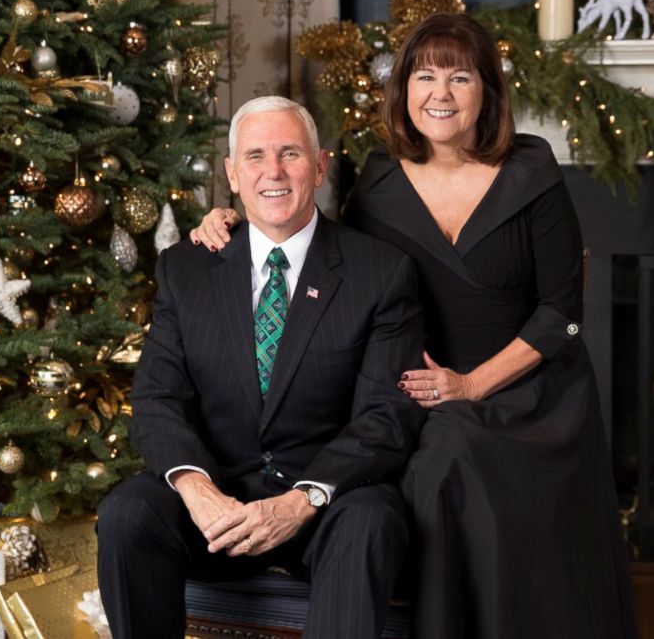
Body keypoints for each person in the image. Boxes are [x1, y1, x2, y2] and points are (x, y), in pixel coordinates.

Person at [191, 14, 639, 638]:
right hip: (418, 390)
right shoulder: (378, 180)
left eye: (461, 77)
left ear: (488, 91)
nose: (442, 93)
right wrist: (233, 222)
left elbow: (561, 311)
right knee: (435, 454)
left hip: (531, 391)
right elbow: (322, 254)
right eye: (425, 76)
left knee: (451, 454)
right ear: (403, 89)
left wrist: (473, 385)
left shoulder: (532, 172)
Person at [97, 96, 426, 639]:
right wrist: (197, 491)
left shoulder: (381, 273)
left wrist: (303, 499)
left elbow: (387, 415)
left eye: (290, 153)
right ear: (231, 173)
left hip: (324, 502)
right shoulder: (187, 268)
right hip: (219, 501)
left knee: (370, 520)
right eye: (254, 156)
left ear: (320, 167)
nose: (272, 171)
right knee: (129, 512)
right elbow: (157, 400)